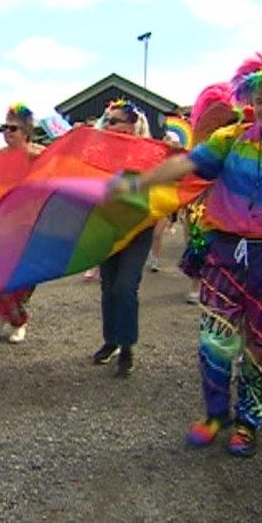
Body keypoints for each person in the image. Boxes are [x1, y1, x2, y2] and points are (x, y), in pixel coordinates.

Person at [109, 51, 262, 456]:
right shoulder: (233, 139)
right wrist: (139, 184)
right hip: (225, 251)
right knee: (214, 339)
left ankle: (248, 420)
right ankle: (215, 414)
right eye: (260, 101)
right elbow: (188, 164)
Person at [89, 99, 157, 377]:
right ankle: (111, 341)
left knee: (125, 287)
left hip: (138, 230)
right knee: (108, 287)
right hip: (109, 228)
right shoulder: (99, 153)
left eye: (115, 121)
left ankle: (127, 346)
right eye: (107, 121)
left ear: (131, 126)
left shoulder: (151, 153)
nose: (109, 125)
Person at [0, 103, 45, 343]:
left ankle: (17, 320)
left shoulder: (39, 155)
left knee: (20, 279)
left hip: (29, 227)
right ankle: (3, 314)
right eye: (4, 127)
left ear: (25, 132)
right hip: (1, 226)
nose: (7, 132)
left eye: (12, 128)